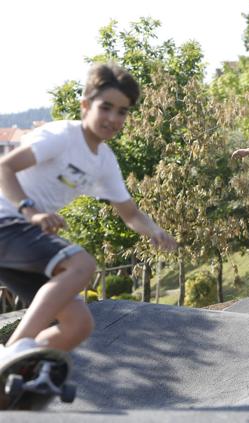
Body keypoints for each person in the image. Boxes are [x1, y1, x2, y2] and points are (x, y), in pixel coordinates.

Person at [0, 62, 177, 362]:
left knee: (78, 324)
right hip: (8, 224)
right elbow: (4, 167)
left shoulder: (104, 161)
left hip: (22, 243)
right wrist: (31, 212)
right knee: (82, 265)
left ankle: (13, 382)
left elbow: (130, 214)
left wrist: (154, 230)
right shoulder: (61, 136)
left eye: (122, 111)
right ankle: (15, 348)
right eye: (105, 107)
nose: (113, 118)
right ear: (85, 105)